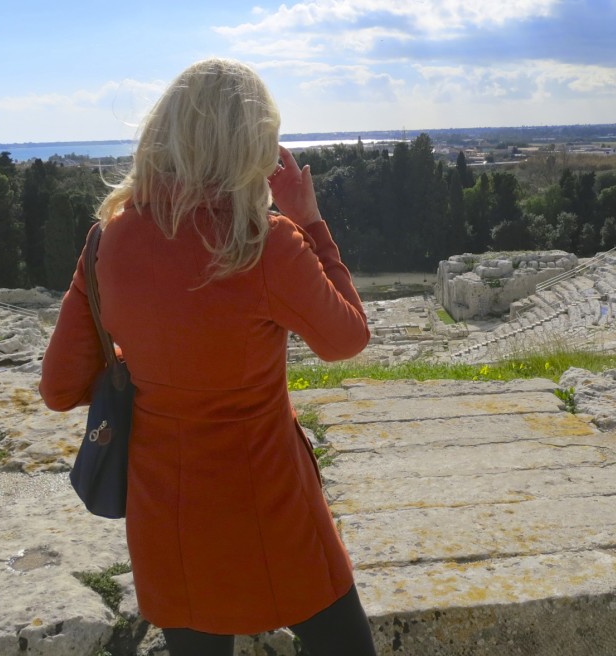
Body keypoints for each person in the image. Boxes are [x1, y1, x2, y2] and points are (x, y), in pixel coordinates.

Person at [39, 58, 376, 656]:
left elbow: (60, 387)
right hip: (273, 506)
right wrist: (311, 221)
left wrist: (150, 355)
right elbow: (346, 339)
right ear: (251, 145)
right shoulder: (267, 243)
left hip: (166, 514)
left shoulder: (107, 240)